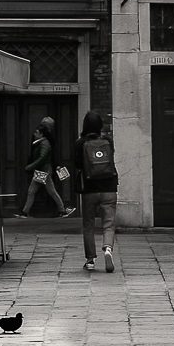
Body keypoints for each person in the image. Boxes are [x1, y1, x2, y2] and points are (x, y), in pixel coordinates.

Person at [75, 110, 119, 273]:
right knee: (109, 223)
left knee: (88, 225)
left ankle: (90, 260)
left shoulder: (80, 143)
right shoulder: (108, 140)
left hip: (89, 189)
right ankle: (108, 249)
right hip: (109, 187)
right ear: (100, 125)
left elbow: (78, 164)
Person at [20, 115, 69, 218]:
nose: (34, 134)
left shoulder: (44, 143)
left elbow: (42, 157)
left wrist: (30, 166)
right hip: (42, 170)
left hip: (43, 170)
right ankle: (25, 212)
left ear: (41, 133)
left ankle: (62, 210)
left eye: (36, 133)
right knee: (35, 191)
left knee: (45, 191)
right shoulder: (45, 141)